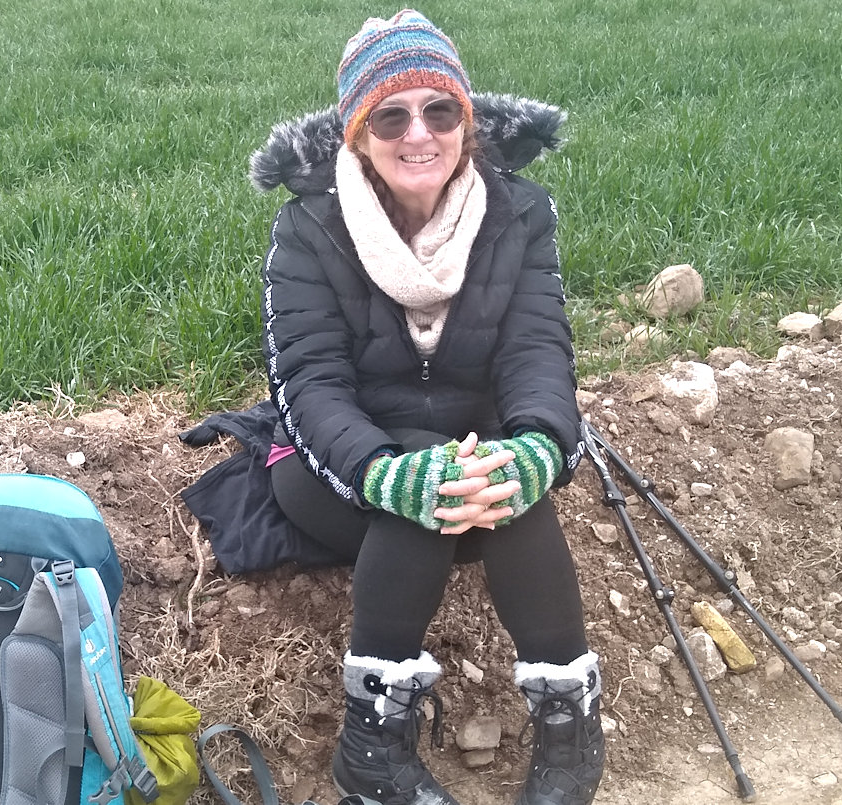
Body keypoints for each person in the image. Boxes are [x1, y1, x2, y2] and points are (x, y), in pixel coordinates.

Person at [247, 9, 603, 805]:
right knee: (429, 492)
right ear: (356, 133)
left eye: (440, 110)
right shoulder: (307, 228)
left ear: (466, 122)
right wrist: (390, 473)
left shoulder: (520, 214)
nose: (420, 134)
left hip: (471, 446)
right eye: (391, 115)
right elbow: (310, 385)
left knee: (509, 488)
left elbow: (539, 352)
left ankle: (568, 723)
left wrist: (538, 449)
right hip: (331, 462)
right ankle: (369, 748)